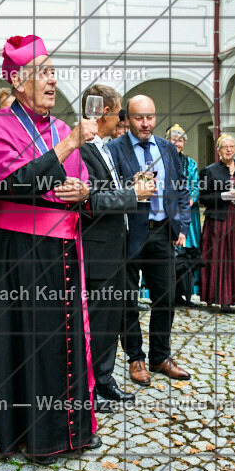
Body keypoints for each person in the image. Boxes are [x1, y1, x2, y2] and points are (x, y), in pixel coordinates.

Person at [0, 34, 100, 465]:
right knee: (31, 342)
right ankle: (33, 434)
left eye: (52, 70)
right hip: (20, 253)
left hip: (64, 248)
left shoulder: (62, 127)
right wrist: (68, 147)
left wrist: (83, 191)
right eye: (43, 71)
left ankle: (71, 430)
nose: (52, 79)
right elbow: (8, 184)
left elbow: (73, 184)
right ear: (20, 81)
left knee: (67, 339)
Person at [108, 95, 191, 386]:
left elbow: (181, 189)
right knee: (128, 300)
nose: (146, 123)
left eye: (150, 117)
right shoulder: (114, 149)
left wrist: (180, 223)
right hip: (129, 234)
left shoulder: (168, 148)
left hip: (161, 233)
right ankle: (136, 358)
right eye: (139, 118)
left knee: (165, 298)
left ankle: (160, 356)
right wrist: (132, 189)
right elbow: (107, 190)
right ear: (127, 120)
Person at [79, 84, 152, 411]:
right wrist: (132, 195)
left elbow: (106, 189)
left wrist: (128, 185)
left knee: (111, 321)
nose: (121, 117)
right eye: (118, 111)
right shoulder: (80, 149)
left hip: (118, 249)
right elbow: (89, 200)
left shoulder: (103, 146)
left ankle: (105, 380)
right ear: (103, 112)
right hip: (98, 252)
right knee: (95, 324)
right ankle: (88, 390)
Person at [199, 134, 235, 308]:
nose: (229, 149)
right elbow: (203, 197)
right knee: (221, 258)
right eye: (225, 147)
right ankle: (223, 299)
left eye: (232, 146)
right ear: (218, 151)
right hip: (220, 220)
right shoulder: (210, 171)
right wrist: (223, 196)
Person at [168, 124, 202, 305]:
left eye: (180, 140)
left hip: (188, 212)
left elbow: (195, 186)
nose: (177, 143)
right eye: (174, 140)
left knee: (187, 253)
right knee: (170, 252)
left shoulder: (191, 164)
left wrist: (186, 203)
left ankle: (186, 292)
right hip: (169, 213)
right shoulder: (161, 161)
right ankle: (168, 293)